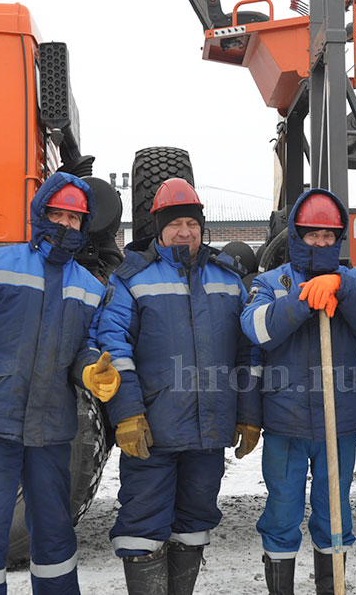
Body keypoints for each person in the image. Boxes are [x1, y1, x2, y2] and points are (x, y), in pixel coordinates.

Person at [0, 172, 118, 595]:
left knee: (55, 536)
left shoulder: (90, 288)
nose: (66, 224)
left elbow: (84, 348)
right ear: (41, 213)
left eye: (75, 218)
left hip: (50, 432)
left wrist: (90, 370)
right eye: (58, 214)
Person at [96, 177, 261, 595]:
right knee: (142, 528)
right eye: (175, 224)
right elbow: (114, 349)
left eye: (192, 223)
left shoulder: (228, 279)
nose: (184, 232)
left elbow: (248, 354)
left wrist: (248, 415)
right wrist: (128, 413)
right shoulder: (131, 279)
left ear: (202, 227)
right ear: (158, 227)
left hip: (209, 436)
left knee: (194, 524)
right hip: (152, 432)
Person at [240, 189, 356, 595]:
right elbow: (256, 329)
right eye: (312, 235)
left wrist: (340, 286)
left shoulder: (354, 280)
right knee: (282, 513)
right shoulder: (272, 282)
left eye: (329, 236)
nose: (321, 243)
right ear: (295, 236)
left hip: (338, 424)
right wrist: (302, 301)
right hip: (285, 423)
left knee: (333, 513)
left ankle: (332, 587)